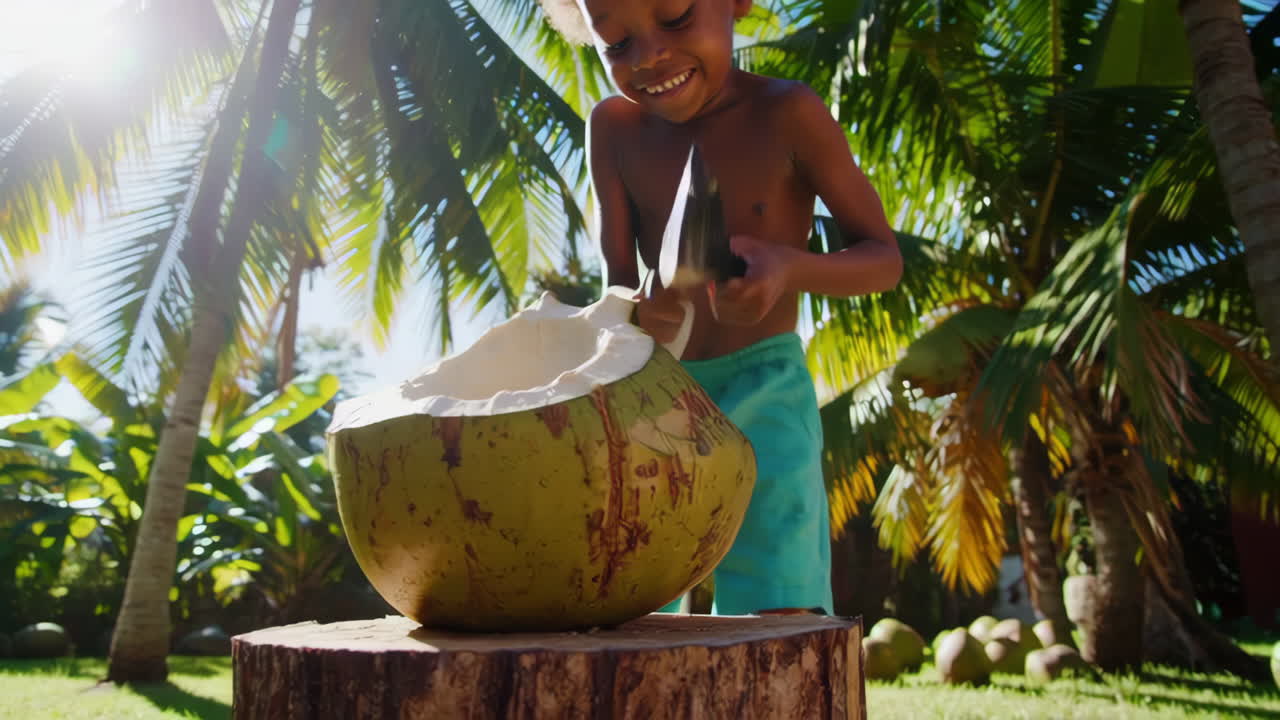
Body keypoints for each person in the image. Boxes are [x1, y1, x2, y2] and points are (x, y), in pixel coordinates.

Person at [537, 0, 902, 615]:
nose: (650, 56)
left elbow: (883, 259)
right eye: (617, 44)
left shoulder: (788, 114)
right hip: (658, 397)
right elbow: (618, 287)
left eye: (676, 17)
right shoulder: (613, 129)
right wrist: (639, 309)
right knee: (652, 596)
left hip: (768, 389)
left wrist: (789, 267)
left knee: (777, 600)